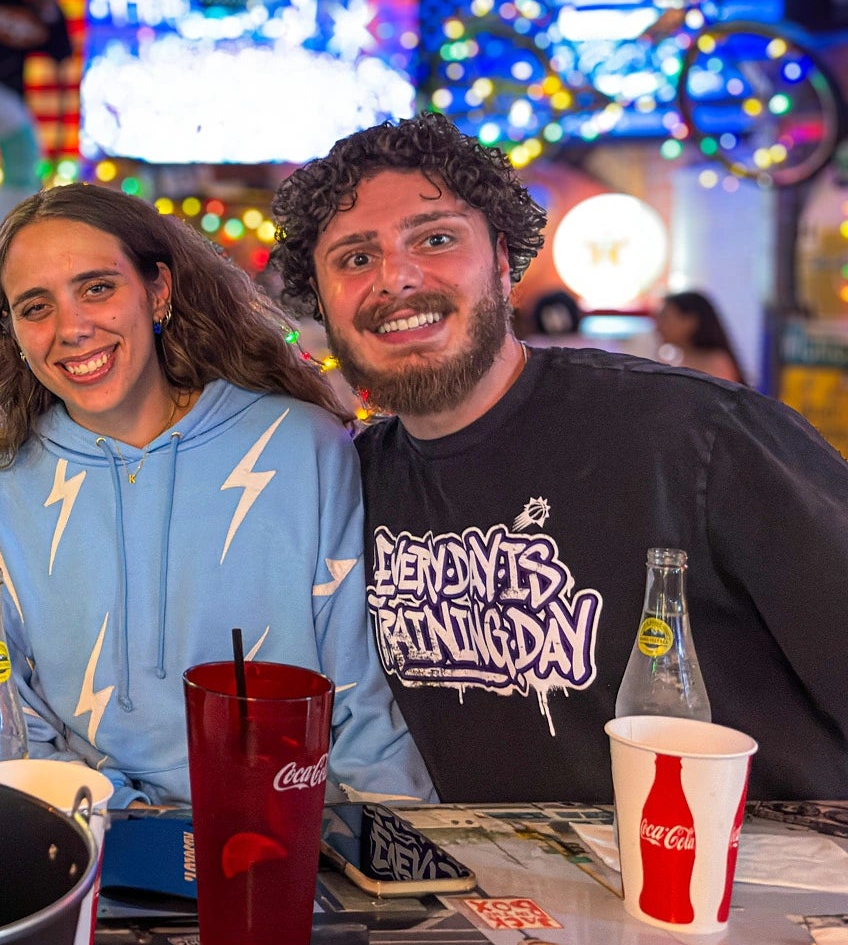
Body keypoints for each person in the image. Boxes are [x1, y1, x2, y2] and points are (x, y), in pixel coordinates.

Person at [271, 112, 848, 802]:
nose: (396, 278)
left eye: (436, 239)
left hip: (748, 894)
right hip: (488, 902)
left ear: (503, 259)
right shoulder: (345, 487)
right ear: (322, 299)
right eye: (356, 258)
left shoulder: (698, 437)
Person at [0, 184, 433, 806]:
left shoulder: (304, 450)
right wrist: (129, 827)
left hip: (297, 846)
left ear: (157, 290)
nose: (72, 328)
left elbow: (371, 707)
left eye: (97, 288)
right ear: (13, 333)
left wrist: (374, 860)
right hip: (93, 851)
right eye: (35, 307)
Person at [657, 289, 746, 385]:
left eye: (664, 318)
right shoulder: (672, 361)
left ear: (690, 321)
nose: (658, 327)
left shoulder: (717, 364)